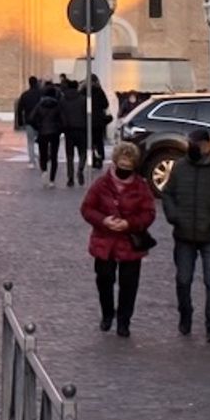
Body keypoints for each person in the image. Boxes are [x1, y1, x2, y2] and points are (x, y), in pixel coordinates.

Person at [156, 127, 210, 340]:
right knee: (183, 280)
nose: (193, 147)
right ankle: (185, 316)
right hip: (183, 235)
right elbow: (168, 194)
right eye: (190, 143)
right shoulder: (180, 168)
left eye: (196, 143)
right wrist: (174, 216)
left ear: (205, 145)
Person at [81, 141, 157, 336]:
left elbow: (148, 213)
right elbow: (87, 209)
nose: (124, 171)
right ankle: (107, 314)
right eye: (121, 166)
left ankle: (124, 321)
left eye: (128, 168)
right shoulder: (101, 184)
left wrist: (129, 224)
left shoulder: (140, 187)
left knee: (129, 284)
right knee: (104, 279)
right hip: (104, 241)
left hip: (130, 243)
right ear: (115, 163)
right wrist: (103, 220)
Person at [29, 82, 65, 185]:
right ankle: (52, 180)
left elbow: (31, 118)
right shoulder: (57, 105)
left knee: (43, 154)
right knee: (54, 156)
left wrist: (38, 127)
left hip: (42, 132)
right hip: (54, 133)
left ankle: (44, 170)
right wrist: (60, 129)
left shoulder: (40, 105)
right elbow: (63, 120)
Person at [58, 75, 87, 185]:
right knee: (82, 152)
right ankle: (80, 168)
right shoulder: (83, 99)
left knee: (69, 155)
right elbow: (86, 114)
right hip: (81, 129)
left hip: (68, 130)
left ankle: (70, 177)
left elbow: (61, 114)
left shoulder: (63, 100)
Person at [88, 77, 113, 170]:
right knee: (99, 141)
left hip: (88, 120)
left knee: (90, 141)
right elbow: (105, 104)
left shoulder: (84, 90)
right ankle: (100, 158)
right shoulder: (99, 91)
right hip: (99, 120)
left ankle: (93, 159)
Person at [16, 77, 42, 155]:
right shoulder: (41, 94)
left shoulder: (25, 95)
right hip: (40, 121)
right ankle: (42, 157)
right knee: (41, 141)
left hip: (29, 121)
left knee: (30, 141)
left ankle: (32, 160)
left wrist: (20, 121)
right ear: (36, 83)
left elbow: (20, 109)